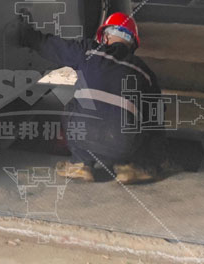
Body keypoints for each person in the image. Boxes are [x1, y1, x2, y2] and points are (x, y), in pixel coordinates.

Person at [10, 10, 163, 184]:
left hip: (82, 136)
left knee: (72, 104)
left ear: (105, 37)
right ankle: (129, 167)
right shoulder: (145, 73)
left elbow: (52, 47)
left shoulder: (90, 52)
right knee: (142, 117)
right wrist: (152, 161)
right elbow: (155, 123)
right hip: (121, 145)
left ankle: (81, 164)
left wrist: (26, 34)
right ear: (132, 44)